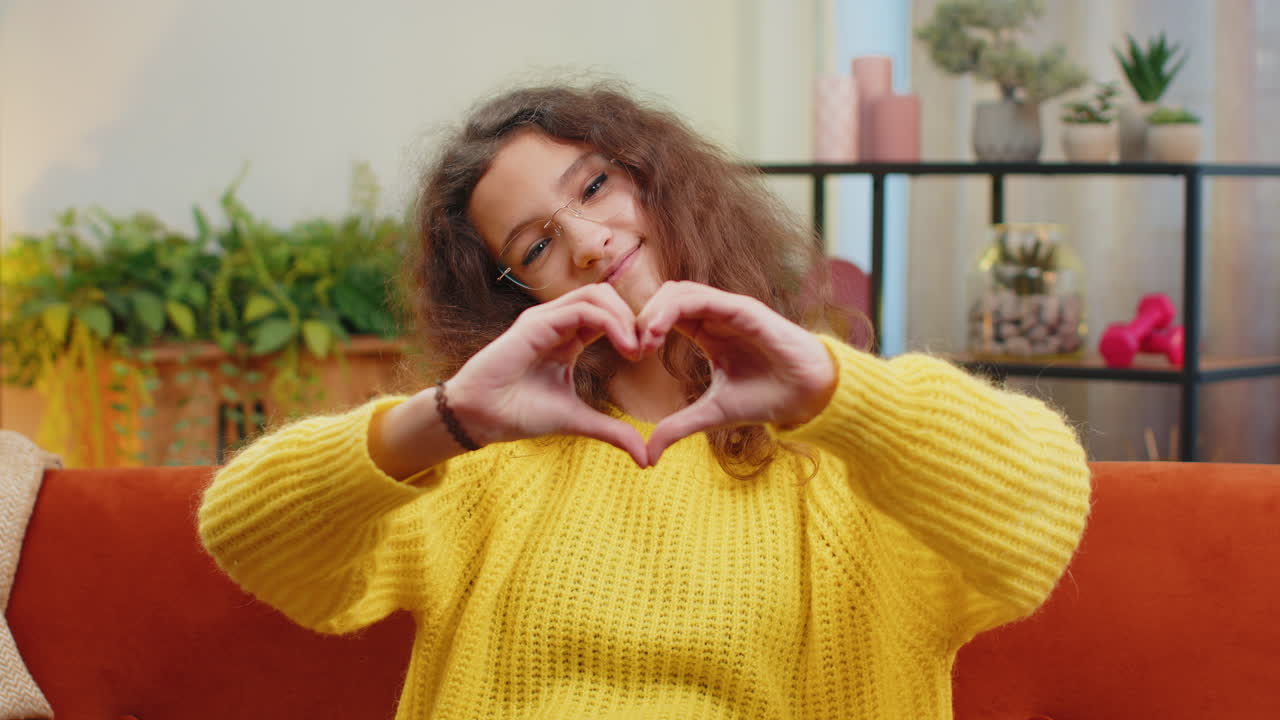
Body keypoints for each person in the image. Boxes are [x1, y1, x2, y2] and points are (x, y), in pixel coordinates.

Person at [198, 82, 1091, 719]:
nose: (590, 242)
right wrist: (449, 418)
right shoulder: (485, 465)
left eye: (595, 187)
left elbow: (1045, 513)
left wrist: (835, 393)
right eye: (536, 246)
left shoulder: (842, 456)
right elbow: (243, 533)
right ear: (517, 295)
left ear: (655, 179)